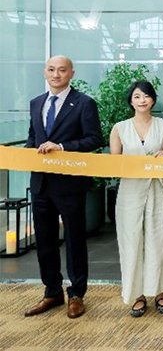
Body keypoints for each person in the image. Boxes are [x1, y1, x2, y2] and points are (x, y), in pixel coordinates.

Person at [24, 55, 103, 319]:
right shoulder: (37, 103)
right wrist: (26, 153)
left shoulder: (84, 103)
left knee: (74, 241)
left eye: (61, 70)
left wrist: (62, 148)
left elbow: (94, 139)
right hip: (41, 183)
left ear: (71, 73)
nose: (56, 74)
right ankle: (52, 291)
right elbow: (33, 138)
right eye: (51, 69)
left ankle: (77, 294)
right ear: (45, 72)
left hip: (70, 184)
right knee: (44, 242)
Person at [110, 80, 163, 317]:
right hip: (130, 191)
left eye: (146, 96)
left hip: (158, 188)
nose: (142, 100)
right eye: (137, 96)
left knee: (159, 239)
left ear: (153, 99)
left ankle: (159, 292)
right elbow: (114, 165)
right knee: (131, 242)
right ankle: (137, 294)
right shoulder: (120, 128)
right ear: (131, 101)